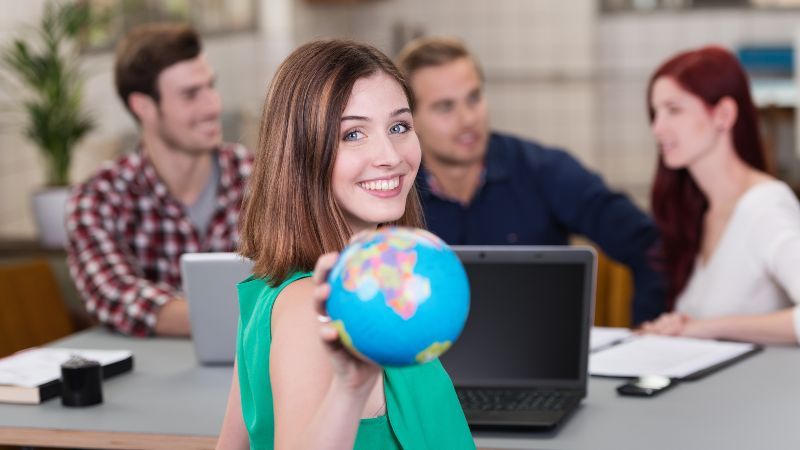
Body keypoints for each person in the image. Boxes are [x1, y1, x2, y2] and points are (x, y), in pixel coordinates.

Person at [215, 40, 475, 449]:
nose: (390, 155)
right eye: (353, 134)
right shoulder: (309, 310)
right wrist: (350, 391)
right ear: (302, 155)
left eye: (399, 127)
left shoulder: (347, 290)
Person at [396, 37, 665, 324]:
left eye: (474, 98)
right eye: (445, 107)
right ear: (412, 119)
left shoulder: (545, 170)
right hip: (427, 362)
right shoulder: (393, 192)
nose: (467, 119)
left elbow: (649, 246)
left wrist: (647, 330)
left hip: (540, 361)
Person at [65, 24, 253, 337]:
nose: (213, 106)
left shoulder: (261, 178)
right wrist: (262, 312)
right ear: (144, 107)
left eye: (211, 86)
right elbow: (116, 296)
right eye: (191, 94)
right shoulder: (98, 198)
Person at [639, 46, 800, 345]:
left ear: (723, 115)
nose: (657, 128)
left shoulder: (765, 205)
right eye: (655, 112)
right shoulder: (700, 211)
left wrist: (706, 327)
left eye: (674, 110)